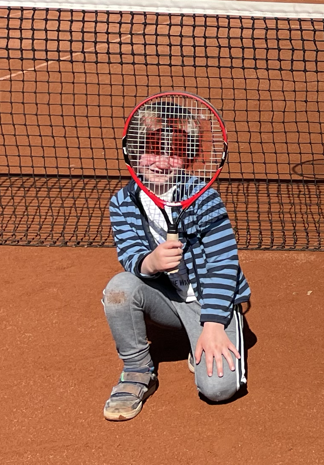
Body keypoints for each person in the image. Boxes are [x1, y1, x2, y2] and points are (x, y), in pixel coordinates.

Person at [101, 99, 251, 421]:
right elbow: (129, 255)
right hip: (166, 299)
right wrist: (149, 263)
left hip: (209, 301)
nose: (160, 162)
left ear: (187, 157)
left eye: (173, 151)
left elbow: (225, 262)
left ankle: (214, 327)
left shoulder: (203, 198)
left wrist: (212, 324)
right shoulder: (122, 202)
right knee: (119, 290)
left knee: (219, 389)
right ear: (134, 150)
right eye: (151, 148)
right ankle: (138, 370)